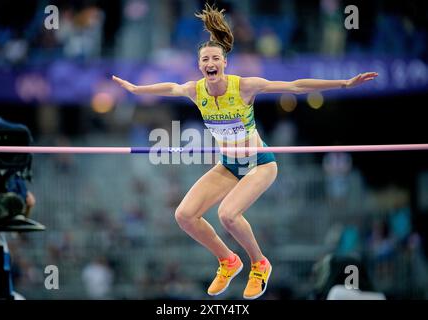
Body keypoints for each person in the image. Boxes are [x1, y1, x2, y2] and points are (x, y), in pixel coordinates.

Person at [112, 3, 378, 299]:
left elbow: (295, 86)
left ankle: (260, 264)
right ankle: (228, 260)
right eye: (205, 59)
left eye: (215, 58)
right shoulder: (195, 89)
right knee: (185, 215)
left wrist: (343, 82)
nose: (210, 62)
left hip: (259, 164)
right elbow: (170, 88)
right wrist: (136, 90)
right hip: (228, 165)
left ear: (224, 63)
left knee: (228, 214)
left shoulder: (245, 87)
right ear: (200, 65)